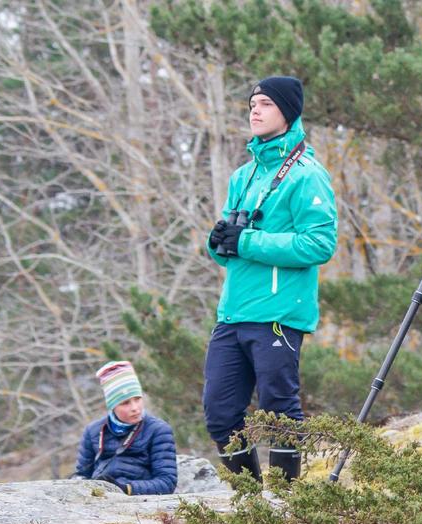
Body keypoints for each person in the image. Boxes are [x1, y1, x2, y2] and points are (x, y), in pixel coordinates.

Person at [203, 75, 338, 482]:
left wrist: (248, 241)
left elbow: (320, 244)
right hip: (234, 310)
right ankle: (250, 504)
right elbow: (232, 250)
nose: (254, 111)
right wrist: (218, 243)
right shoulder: (242, 177)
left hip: (279, 311)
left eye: (264, 103)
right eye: (251, 105)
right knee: (220, 412)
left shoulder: (307, 174)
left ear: (288, 111)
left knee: (279, 408)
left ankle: (286, 506)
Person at [74, 361, 178, 495]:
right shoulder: (93, 431)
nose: (135, 408)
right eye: (125, 403)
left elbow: (167, 482)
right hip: (98, 499)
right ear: (112, 406)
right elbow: (81, 475)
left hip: (139, 501)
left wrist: (125, 489)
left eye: (137, 399)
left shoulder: (158, 430)